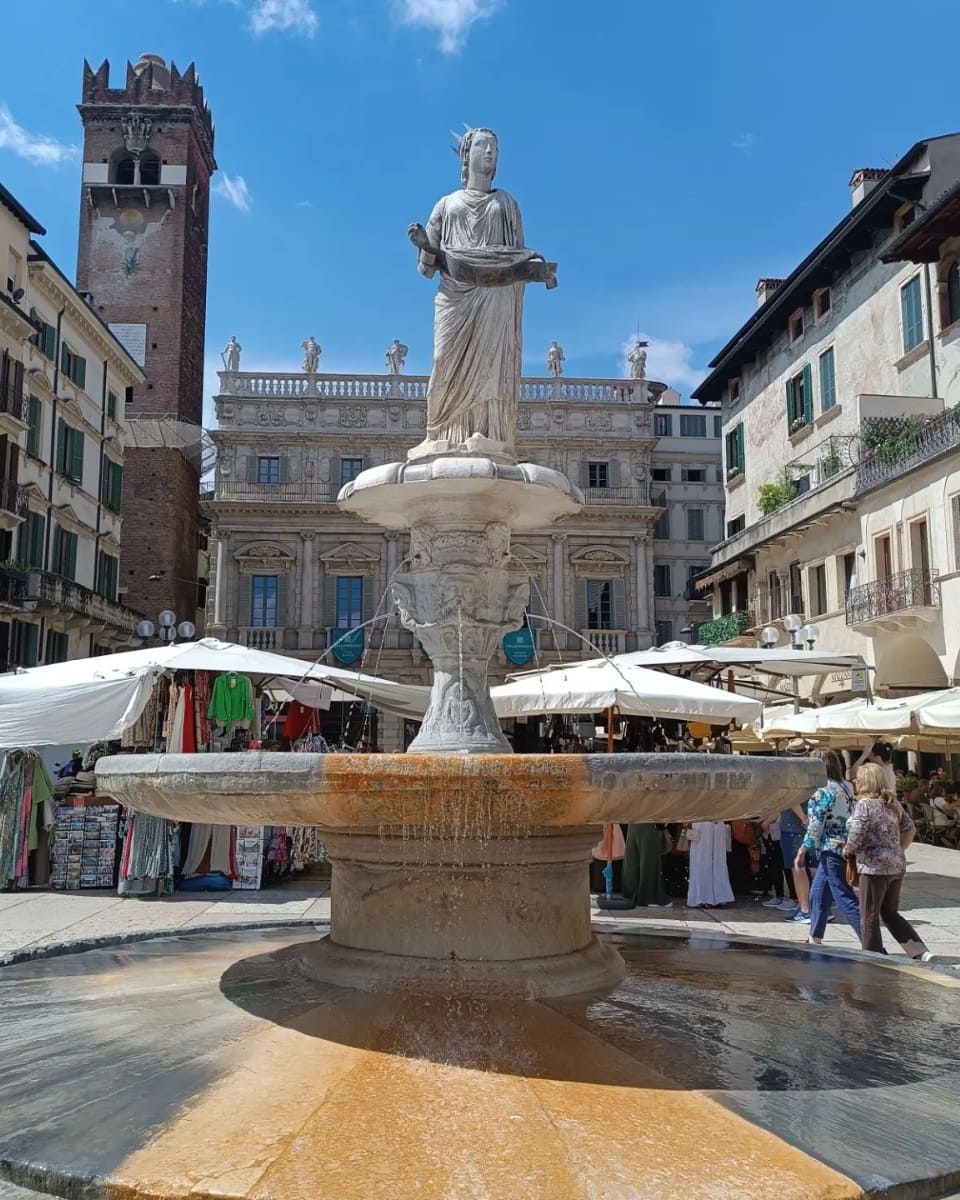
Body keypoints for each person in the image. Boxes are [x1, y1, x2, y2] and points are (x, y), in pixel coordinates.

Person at [407, 127, 555, 457]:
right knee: (443, 360)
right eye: (483, 146)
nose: (490, 153)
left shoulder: (506, 203)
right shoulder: (445, 205)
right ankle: (438, 432)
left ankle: (488, 433)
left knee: (492, 365)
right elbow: (425, 269)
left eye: (495, 149)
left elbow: (518, 254)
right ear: (466, 155)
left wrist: (535, 265)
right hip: (455, 295)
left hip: (497, 295)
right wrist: (424, 246)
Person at [844, 762, 932, 960]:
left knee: (869, 915)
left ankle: (872, 956)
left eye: (857, 778)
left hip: (873, 867)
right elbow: (910, 829)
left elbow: (856, 836)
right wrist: (898, 849)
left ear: (867, 781)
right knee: (890, 912)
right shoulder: (893, 803)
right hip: (896, 865)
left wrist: (846, 850)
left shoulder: (864, 805)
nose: (855, 781)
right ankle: (919, 951)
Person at [796, 748, 860, 945]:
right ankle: (814, 937)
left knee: (844, 897)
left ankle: (871, 941)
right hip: (845, 847)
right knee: (818, 895)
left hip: (831, 848)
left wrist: (802, 850)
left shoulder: (821, 792)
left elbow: (815, 825)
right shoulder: (846, 786)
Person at [686, 820, 734, 908]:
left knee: (718, 857)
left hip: (718, 820)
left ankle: (720, 896)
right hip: (701, 819)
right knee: (701, 857)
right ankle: (702, 897)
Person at [622, 823, 671, 908]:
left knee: (632, 859)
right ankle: (649, 897)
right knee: (649, 859)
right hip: (649, 822)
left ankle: (632, 894)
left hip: (634, 821)